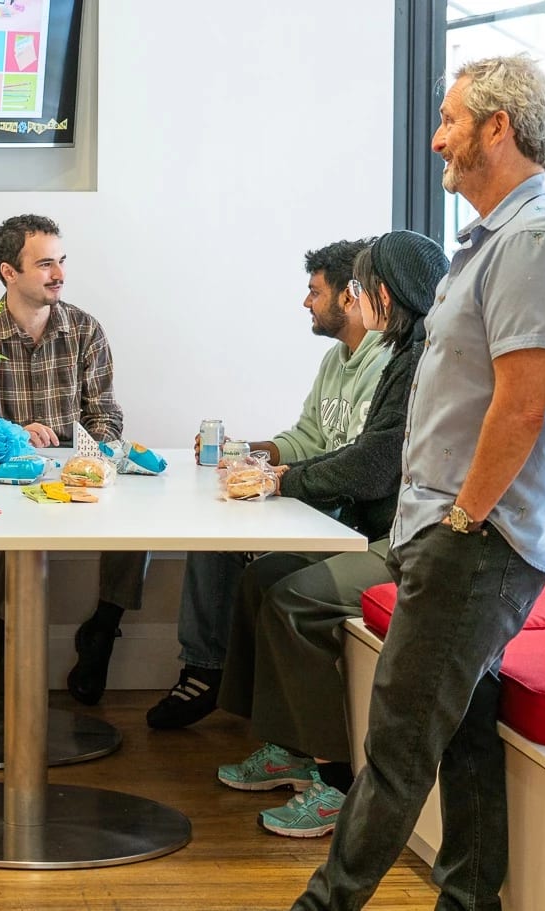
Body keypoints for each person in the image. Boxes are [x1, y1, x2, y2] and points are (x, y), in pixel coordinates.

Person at [292, 54, 545, 911]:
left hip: (473, 543)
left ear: (498, 127)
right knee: (464, 741)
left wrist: (459, 523)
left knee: (398, 744)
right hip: (447, 534)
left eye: (450, 119)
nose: (437, 137)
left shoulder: (528, 241)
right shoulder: (487, 243)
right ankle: (468, 899)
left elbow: (520, 407)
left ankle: (322, 903)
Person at [212, 231, 449, 838]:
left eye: (364, 288)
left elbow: (374, 463)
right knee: (263, 575)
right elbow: (339, 445)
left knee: (295, 600)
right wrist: (278, 468)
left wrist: (284, 481)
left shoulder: (421, 359)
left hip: (406, 541)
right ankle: (287, 747)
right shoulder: (407, 352)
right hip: (381, 528)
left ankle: (335, 783)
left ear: (382, 295)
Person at [148, 238, 389, 728]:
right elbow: (307, 435)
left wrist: (281, 478)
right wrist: (248, 453)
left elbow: (362, 463)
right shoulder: (336, 360)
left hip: (357, 521)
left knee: (266, 576)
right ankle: (209, 672)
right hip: (323, 505)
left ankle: (261, 715)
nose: (306, 303)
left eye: (314, 291)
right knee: (216, 540)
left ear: (350, 296)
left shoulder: (387, 365)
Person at [0, 214, 137, 706]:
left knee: (139, 524)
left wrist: (91, 455)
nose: (59, 274)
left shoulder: (84, 329)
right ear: (9, 273)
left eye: (61, 262)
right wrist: (17, 435)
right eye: (45, 264)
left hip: (73, 471)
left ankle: (103, 626)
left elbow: (106, 412)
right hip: (1, 482)